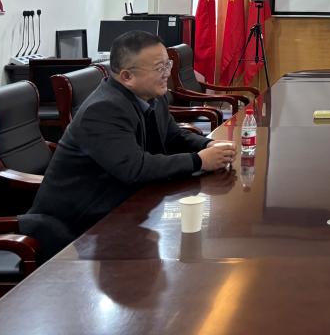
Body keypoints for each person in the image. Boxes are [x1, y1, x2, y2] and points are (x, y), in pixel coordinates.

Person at [24, 30, 236, 256]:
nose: (167, 73)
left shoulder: (153, 95)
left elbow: (173, 136)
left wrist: (207, 145)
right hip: (76, 231)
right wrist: (199, 161)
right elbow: (135, 168)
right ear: (127, 76)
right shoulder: (103, 110)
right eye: (159, 68)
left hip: (125, 208)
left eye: (168, 64)